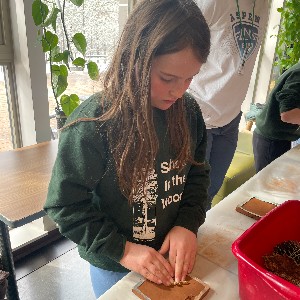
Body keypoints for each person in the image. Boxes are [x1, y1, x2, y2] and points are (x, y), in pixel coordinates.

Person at [44, 0, 211, 298]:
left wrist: (187, 224)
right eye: (168, 78)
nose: (179, 90)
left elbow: (197, 176)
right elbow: (65, 207)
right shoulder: (94, 124)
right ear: (135, 58)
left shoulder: (189, 112)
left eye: (190, 78)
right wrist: (123, 251)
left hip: (170, 251)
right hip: (115, 262)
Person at [189, 0, 270, 209]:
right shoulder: (212, 3)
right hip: (198, 115)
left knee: (210, 194)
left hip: (231, 118)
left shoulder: (264, 4)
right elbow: (176, 49)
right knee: (191, 198)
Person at [253, 62, 300, 172]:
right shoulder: (298, 74)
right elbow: (287, 113)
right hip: (271, 140)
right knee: (268, 185)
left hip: (281, 137)